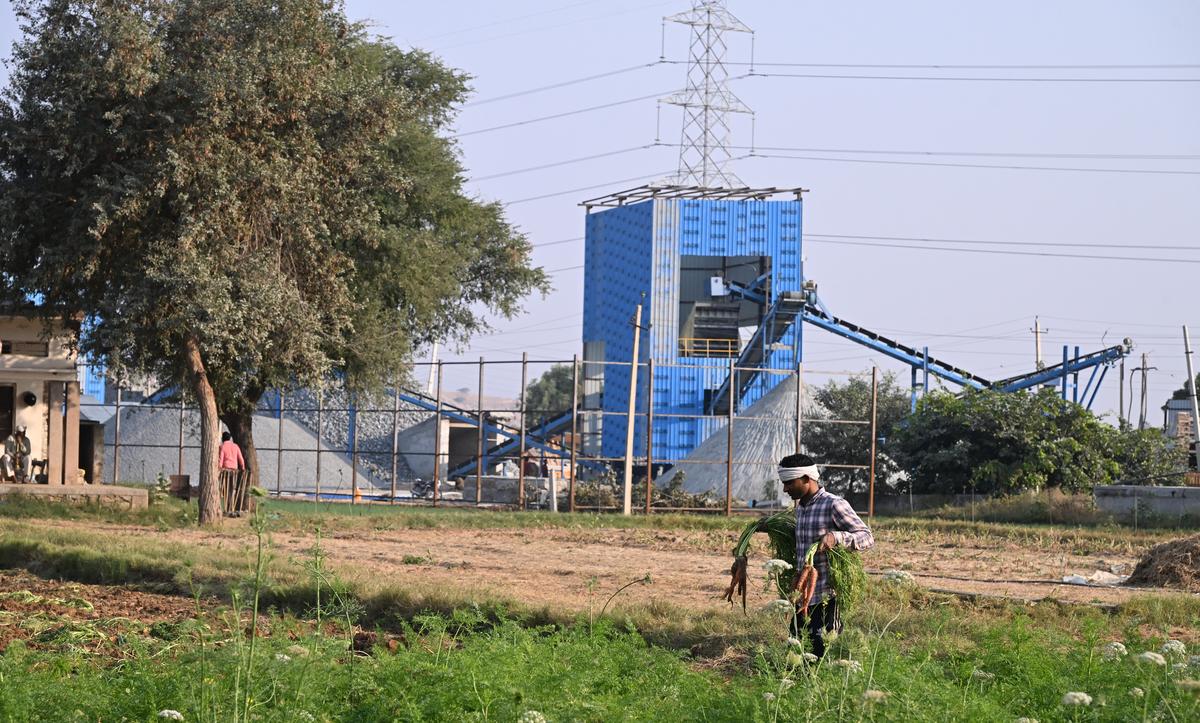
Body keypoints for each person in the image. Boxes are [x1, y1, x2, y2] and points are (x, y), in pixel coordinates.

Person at [778, 453, 874, 658]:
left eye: (789, 483)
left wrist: (836, 537)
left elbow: (867, 537)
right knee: (796, 652)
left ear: (806, 479)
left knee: (823, 652)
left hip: (827, 595)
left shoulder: (833, 504)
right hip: (803, 595)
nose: (785, 489)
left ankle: (825, 687)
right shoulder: (801, 509)